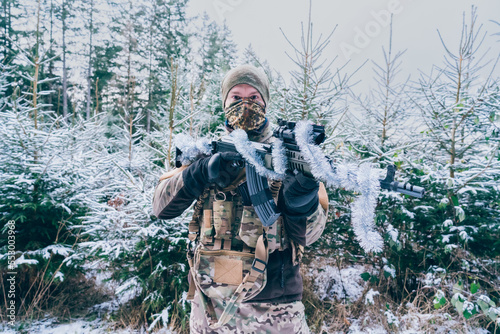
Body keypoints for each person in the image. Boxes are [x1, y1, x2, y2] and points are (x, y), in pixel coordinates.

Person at [152, 64, 328, 333]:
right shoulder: (207, 152)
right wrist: (200, 171)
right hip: (209, 309)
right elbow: (160, 207)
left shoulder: (288, 157)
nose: (245, 104)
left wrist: (300, 199)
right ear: (225, 102)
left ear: (265, 102)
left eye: (254, 97)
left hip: (275, 313)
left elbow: (312, 235)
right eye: (236, 97)